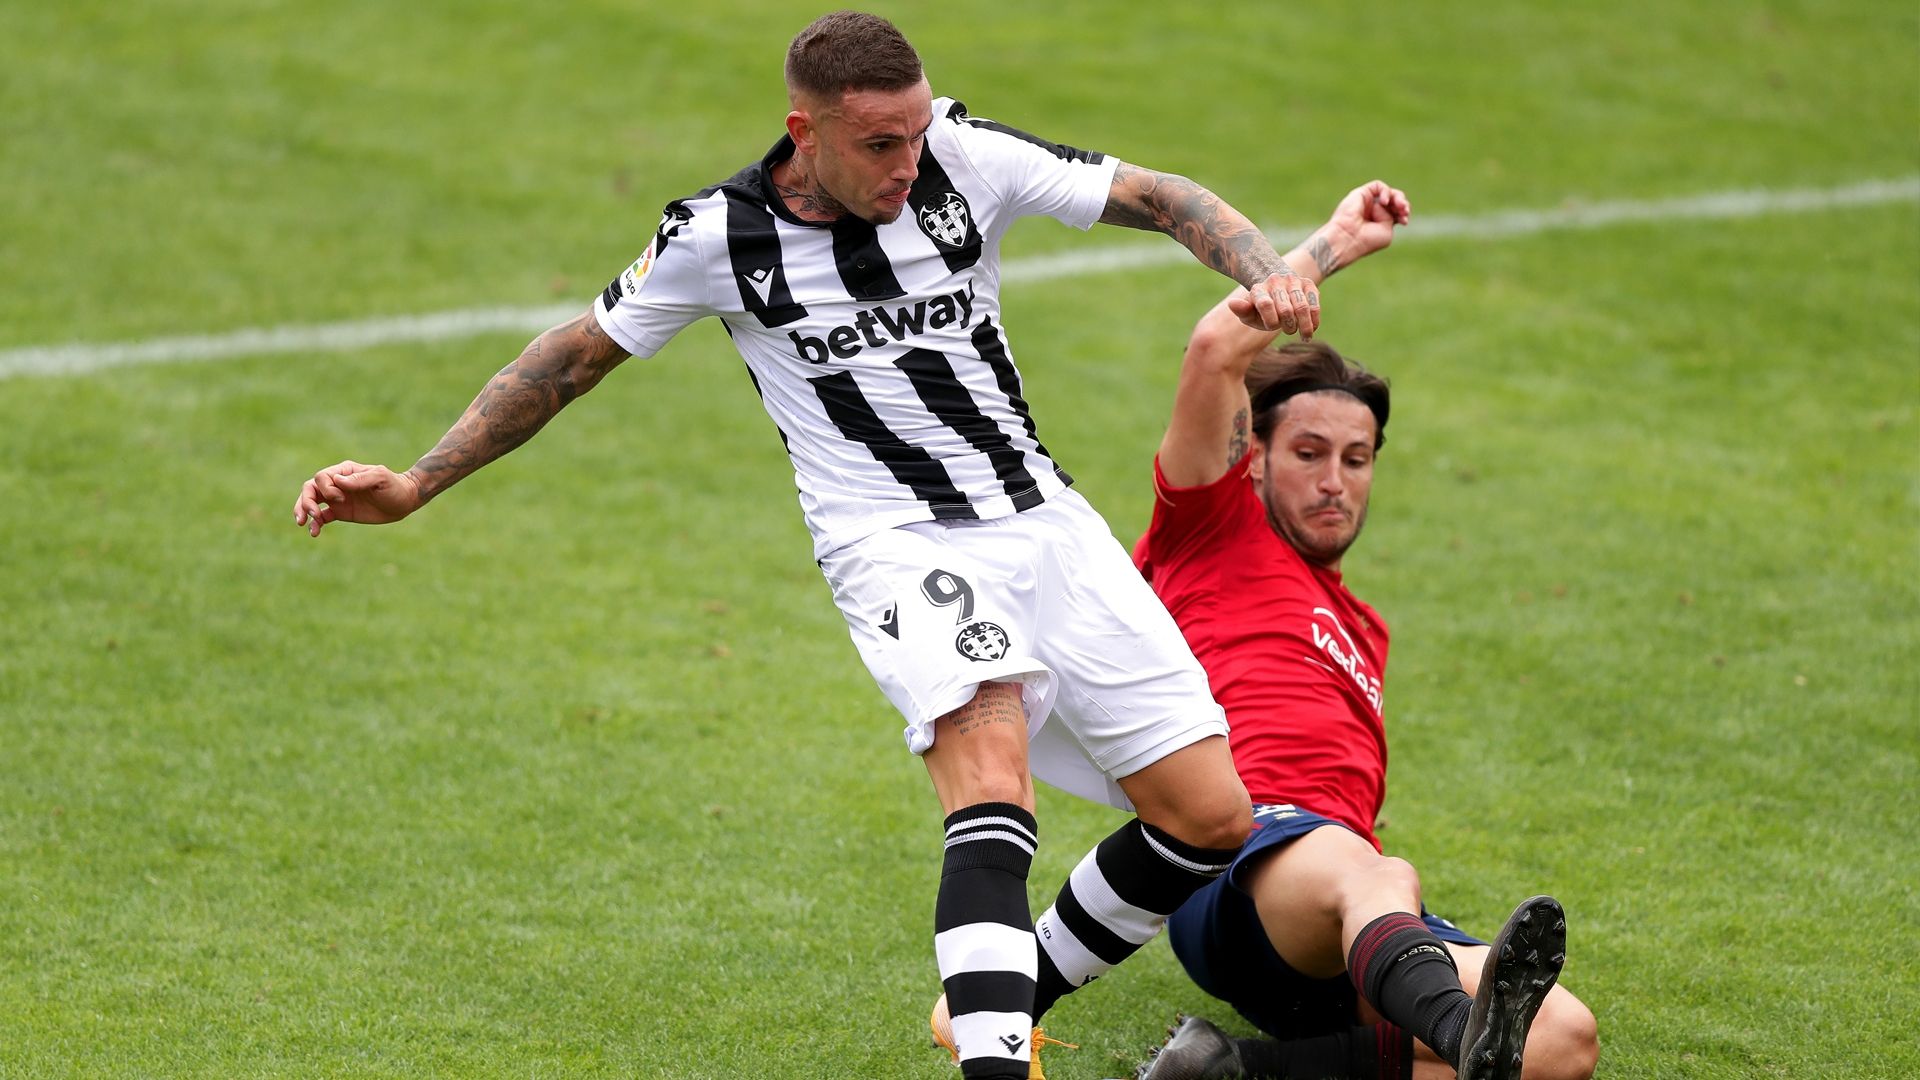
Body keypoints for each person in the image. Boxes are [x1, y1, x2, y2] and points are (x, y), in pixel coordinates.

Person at [291, 12, 1340, 1079]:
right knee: (991, 777)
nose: (907, 163)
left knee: (1209, 820)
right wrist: (416, 482)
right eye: (880, 144)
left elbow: (1161, 196)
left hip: (1045, 523)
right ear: (806, 131)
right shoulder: (716, 237)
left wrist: (1264, 267)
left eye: (915, 135)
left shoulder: (963, 154)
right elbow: (569, 359)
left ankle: (991, 997)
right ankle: (994, 1060)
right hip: (895, 544)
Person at [1122, 180, 1601, 1080]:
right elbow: (1216, 349)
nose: (1335, 481)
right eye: (1308, 454)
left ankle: (1230, 1069)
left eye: (1356, 459)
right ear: (1252, 459)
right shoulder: (1210, 530)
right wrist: (1336, 242)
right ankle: (1453, 1026)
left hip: (1336, 921)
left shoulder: (1363, 629)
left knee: (1564, 1041)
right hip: (1235, 860)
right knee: (1377, 872)